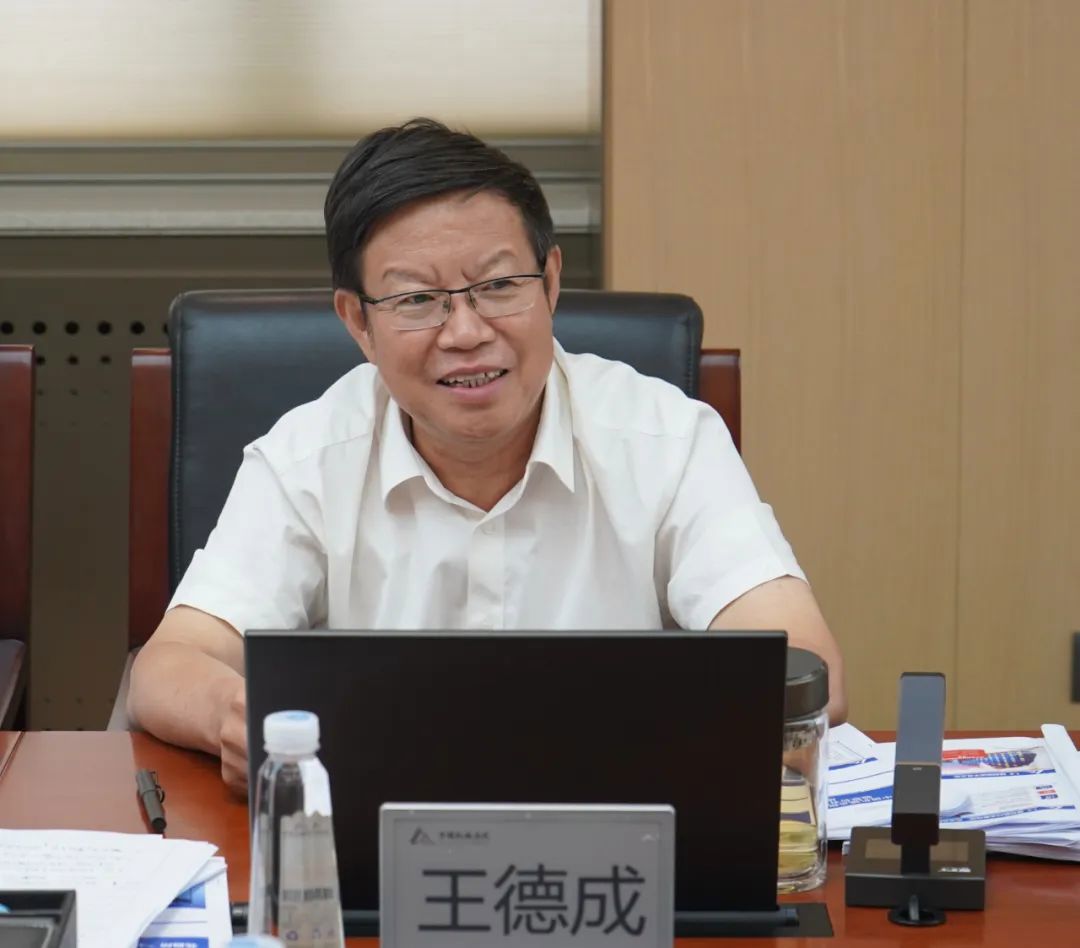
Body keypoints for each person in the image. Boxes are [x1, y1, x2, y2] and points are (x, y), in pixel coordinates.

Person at [128, 118, 846, 792]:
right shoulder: (306, 459)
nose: (466, 333)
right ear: (358, 322)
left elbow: (808, 672)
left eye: (499, 286)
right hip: (366, 841)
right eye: (417, 300)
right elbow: (167, 667)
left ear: (551, 283)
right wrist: (236, 715)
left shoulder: (667, 440)